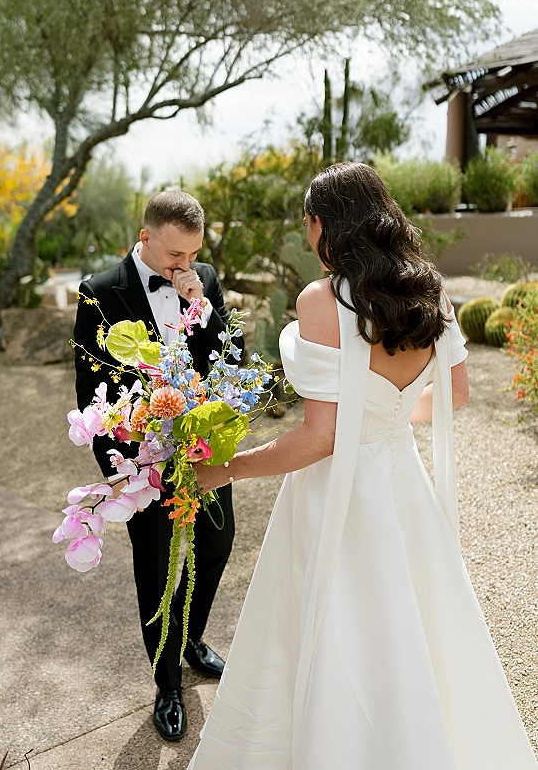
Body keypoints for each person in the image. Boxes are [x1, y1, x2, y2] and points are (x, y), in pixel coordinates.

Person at [186, 162, 538, 769]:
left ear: (327, 224)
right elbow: (455, 396)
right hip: (403, 487)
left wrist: (227, 469)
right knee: (410, 632)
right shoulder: (430, 291)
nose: (310, 236)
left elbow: (322, 438)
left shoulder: (322, 301)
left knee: (337, 636)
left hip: (338, 496)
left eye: (310, 224)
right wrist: (388, 415)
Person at [74, 190, 242, 742]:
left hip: (201, 447)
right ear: (145, 237)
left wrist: (203, 305)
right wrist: (121, 470)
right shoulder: (99, 292)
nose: (184, 266)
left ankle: (192, 641)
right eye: (175, 256)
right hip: (144, 459)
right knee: (156, 564)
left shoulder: (204, 278)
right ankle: (167, 683)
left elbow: (226, 361)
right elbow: (92, 385)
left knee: (217, 544)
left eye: (193, 254)